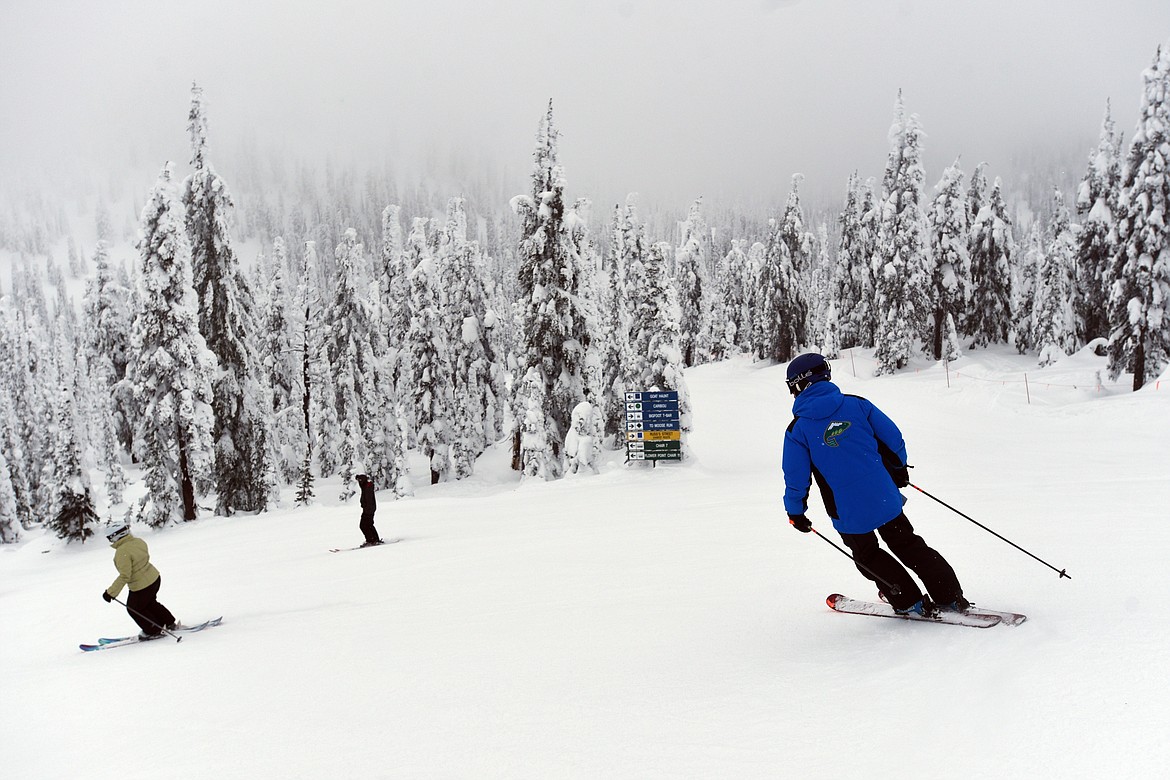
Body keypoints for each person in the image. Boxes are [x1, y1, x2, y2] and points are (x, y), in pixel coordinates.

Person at [781, 353, 969, 616]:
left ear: (798, 386)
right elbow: (893, 439)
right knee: (908, 544)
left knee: (868, 555)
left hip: (846, 510)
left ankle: (907, 600)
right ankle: (948, 595)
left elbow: (796, 478)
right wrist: (899, 470)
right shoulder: (857, 405)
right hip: (884, 496)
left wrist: (796, 512)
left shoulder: (797, 430)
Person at [101, 523, 178, 639]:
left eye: (109, 538)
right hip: (154, 578)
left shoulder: (122, 552)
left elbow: (125, 576)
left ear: (115, 536)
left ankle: (153, 630)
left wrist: (110, 593)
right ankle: (168, 622)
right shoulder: (138, 541)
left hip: (141, 586)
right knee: (149, 603)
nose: (110, 541)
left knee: (133, 608)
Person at [356, 474, 381, 547]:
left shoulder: (367, 488)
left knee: (363, 525)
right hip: (369, 509)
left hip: (368, 510)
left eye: (359, 481)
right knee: (369, 525)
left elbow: (368, 500)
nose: (358, 483)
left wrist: (366, 508)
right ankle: (375, 539)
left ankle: (371, 540)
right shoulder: (366, 487)